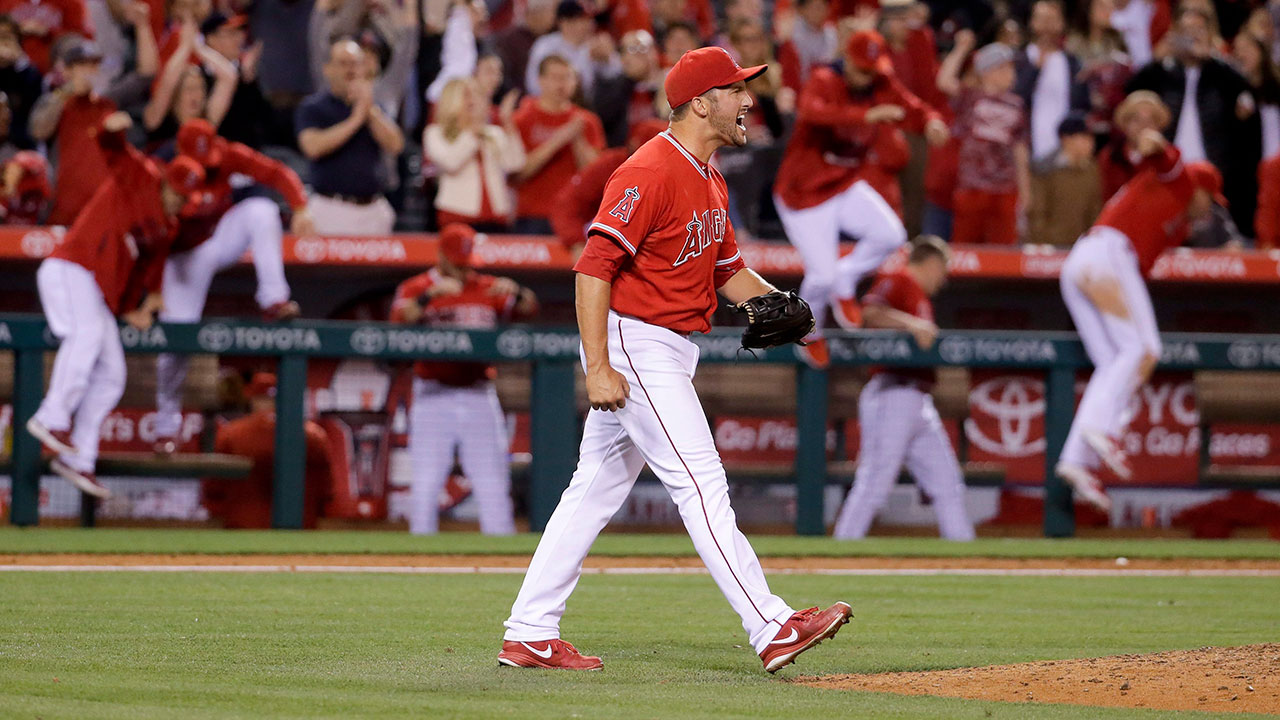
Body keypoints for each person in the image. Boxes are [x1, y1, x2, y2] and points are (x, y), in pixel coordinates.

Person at [499, 47, 851, 674]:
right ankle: (770, 624)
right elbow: (592, 269)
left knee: (592, 491)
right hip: (637, 343)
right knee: (701, 482)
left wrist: (778, 304)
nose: (748, 101)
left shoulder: (711, 177)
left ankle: (528, 631)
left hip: (668, 347)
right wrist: (599, 366)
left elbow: (727, 271)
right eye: (736, 90)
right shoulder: (649, 170)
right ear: (699, 102)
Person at [24, 112, 201, 498]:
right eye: (177, 194)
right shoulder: (143, 176)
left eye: (186, 199)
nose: (179, 203)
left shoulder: (167, 227)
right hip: (71, 268)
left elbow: (146, 272)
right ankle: (51, 416)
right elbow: (112, 148)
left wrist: (138, 306)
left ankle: (79, 459)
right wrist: (112, 127)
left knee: (112, 375)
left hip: (98, 290)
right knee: (85, 336)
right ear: (167, 182)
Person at [1056, 127, 1224, 513]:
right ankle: (1104, 429)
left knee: (1114, 361)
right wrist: (1152, 141)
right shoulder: (1179, 182)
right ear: (1199, 188)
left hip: (1085, 261)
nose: (1208, 208)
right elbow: (1163, 156)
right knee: (1144, 349)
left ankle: (1075, 461)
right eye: (1209, 199)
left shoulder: (1176, 223)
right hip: (1108, 254)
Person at [773, 29, 948, 369]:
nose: (867, 76)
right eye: (861, 69)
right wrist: (865, 116)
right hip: (803, 194)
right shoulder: (824, 79)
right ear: (848, 61)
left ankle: (847, 278)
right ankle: (807, 331)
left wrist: (932, 122)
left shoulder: (880, 83)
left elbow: (913, 106)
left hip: (843, 185)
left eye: (872, 69)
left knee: (891, 235)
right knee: (820, 276)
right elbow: (811, 111)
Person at [151, 118, 312, 454]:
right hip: (180, 257)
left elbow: (277, 172)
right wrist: (151, 289)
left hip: (218, 236)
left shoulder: (226, 154)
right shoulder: (159, 167)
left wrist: (299, 206)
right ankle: (165, 428)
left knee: (263, 210)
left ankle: (273, 299)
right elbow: (152, 238)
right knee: (176, 341)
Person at [390, 223, 536, 535]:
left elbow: (529, 307)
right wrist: (430, 295)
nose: (463, 271)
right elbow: (398, 321)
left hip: (478, 392)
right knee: (426, 482)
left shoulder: (485, 285)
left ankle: (502, 559)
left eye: (467, 264)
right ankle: (420, 560)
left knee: (493, 482)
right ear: (441, 257)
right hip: (432, 394)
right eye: (457, 264)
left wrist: (518, 291)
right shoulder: (417, 287)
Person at [832, 236, 975, 541]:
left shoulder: (918, 295)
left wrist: (914, 323)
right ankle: (842, 549)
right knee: (874, 483)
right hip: (891, 393)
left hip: (917, 401)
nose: (944, 279)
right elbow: (868, 313)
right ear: (932, 263)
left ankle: (967, 557)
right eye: (943, 269)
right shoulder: (899, 279)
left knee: (948, 485)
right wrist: (913, 324)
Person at [1127, 6, 1259, 235]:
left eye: (1199, 30)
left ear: (1210, 34)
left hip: (1211, 178)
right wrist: (1157, 59)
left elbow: (1247, 91)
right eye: (1187, 30)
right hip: (1169, 173)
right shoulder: (1163, 72)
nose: (1193, 37)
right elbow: (1131, 91)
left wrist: (1213, 57)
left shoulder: (1220, 75)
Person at [30, 31, 156, 225]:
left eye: (93, 65)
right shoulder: (56, 102)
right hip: (65, 212)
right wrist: (68, 90)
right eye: (82, 65)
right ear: (67, 71)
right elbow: (38, 130)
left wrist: (142, 25)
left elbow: (146, 74)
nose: (89, 71)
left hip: (104, 211)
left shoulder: (108, 102)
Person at [296, 36, 404, 236]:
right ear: (327, 69)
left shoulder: (374, 107)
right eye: (343, 64)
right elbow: (313, 147)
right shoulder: (314, 107)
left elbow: (395, 145)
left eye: (356, 63)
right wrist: (356, 119)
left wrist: (368, 109)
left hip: (373, 208)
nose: (351, 70)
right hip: (331, 207)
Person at [204, 372, 333, 529]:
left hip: (243, 529)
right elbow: (327, 492)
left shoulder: (231, 433)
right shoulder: (314, 435)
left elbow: (213, 489)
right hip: (300, 529)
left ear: (252, 398)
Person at [939, 39, 1031, 245]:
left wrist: (1025, 191)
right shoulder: (969, 97)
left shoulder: (1017, 105)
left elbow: (1020, 149)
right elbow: (944, 81)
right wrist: (961, 48)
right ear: (988, 71)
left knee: (1005, 250)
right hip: (972, 186)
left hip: (1005, 188)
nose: (1011, 73)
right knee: (965, 247)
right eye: (1005, 67)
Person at [512, 54, 605, 233]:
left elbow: (595, 173)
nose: (561, 84)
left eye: (567, 77)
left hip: (576, 214)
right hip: (533, 214)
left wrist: (578, 139)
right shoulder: (522, 119)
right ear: (540, 81)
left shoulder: (587, 121)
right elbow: (519, 172)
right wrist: (560, 139)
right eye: (555, 77)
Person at [549, 118, 666, 255]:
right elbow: (567, 203)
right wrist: (576, 242)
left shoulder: (676, 172)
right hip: (603, 239)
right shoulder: (612, 165)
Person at [423, 77, 525, 230]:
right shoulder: (435, 133)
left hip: (497, 216)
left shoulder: (493, 133)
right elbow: (451, 163)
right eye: (467, 95)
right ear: (453, 100)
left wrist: (508, 123)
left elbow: (515, 164)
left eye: (477, 95)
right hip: (457, 214)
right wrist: (472, 131)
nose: (474, 101)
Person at [1015, 0, 1089, 162]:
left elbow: (1082, 104)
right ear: (1032, 23)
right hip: (1028, 146)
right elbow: (1015, 98)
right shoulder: (1020, 59)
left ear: (1062, 23)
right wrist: (1034, 69)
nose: (1047, 26)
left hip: (1065, 151)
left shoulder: (1072, 62)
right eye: (1042, 19)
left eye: (1052, 19)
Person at [1028, 112, 1103, 246]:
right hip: (1049, 247)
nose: (1091, 143)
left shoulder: (1091, 170)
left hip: (1080, 246)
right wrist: (1040, 242)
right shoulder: (1045, 169)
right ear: (1066, 139)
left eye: (1091, 138)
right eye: (1084, 138)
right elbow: (1037, 211)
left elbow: (1094, 209)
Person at [524, 0, 619, 101]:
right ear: (564, 22)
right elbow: (533, 86)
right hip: (551, 105)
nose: (588, 25)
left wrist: (607, 60)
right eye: (581, 20)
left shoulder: (594, 45)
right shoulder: (546, 45)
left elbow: (616, 76)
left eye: (590, 20)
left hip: (585, 108)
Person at [592, 28, 663, 147]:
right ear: (622, 58)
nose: (639, 55)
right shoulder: (611, 86)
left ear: (655, 52)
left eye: (643, 48)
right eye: (631, 50)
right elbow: (603, 118)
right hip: (624, 155)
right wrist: (628, 79)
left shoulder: (669, 84)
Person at [1098, 89, 1171, 199]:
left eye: (1150, 121)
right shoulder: (1110, 157)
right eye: (1136, 120)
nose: (1143, 126)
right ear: (1125, 125)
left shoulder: (1167, 158)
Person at [0, 148, 50, 223]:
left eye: (19, 171)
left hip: (30, 229)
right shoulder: (3, 190)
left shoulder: (35, 193)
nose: (8, 175)